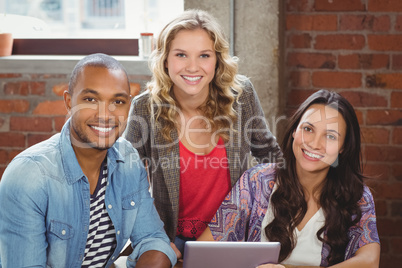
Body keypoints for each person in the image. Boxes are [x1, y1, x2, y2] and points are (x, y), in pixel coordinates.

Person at [123, 9, 283, 256]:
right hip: (171, 241)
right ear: (165, 59)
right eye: (181, 55)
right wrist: (153, 237)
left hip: (236, 238)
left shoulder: (242, 96)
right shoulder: (145, 108)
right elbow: (126, 181)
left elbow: (271, 158)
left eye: (204, 55)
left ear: (217, 60)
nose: (193, 67)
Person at [0, 53, 176, 268]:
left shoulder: (128, 159)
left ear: (128, 107)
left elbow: (152, 239)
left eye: (117, 101)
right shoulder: (29, 176)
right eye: (90, 99)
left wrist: (156, 252)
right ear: (68, 102)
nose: (105, 114)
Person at [199, 90, 380, 267]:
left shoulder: (356, 195)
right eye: (308, 129)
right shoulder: (256, 182)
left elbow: (370, 261)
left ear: (343, 147)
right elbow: (203, 252)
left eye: (330, 136)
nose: (314, 144)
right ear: (294, 130)